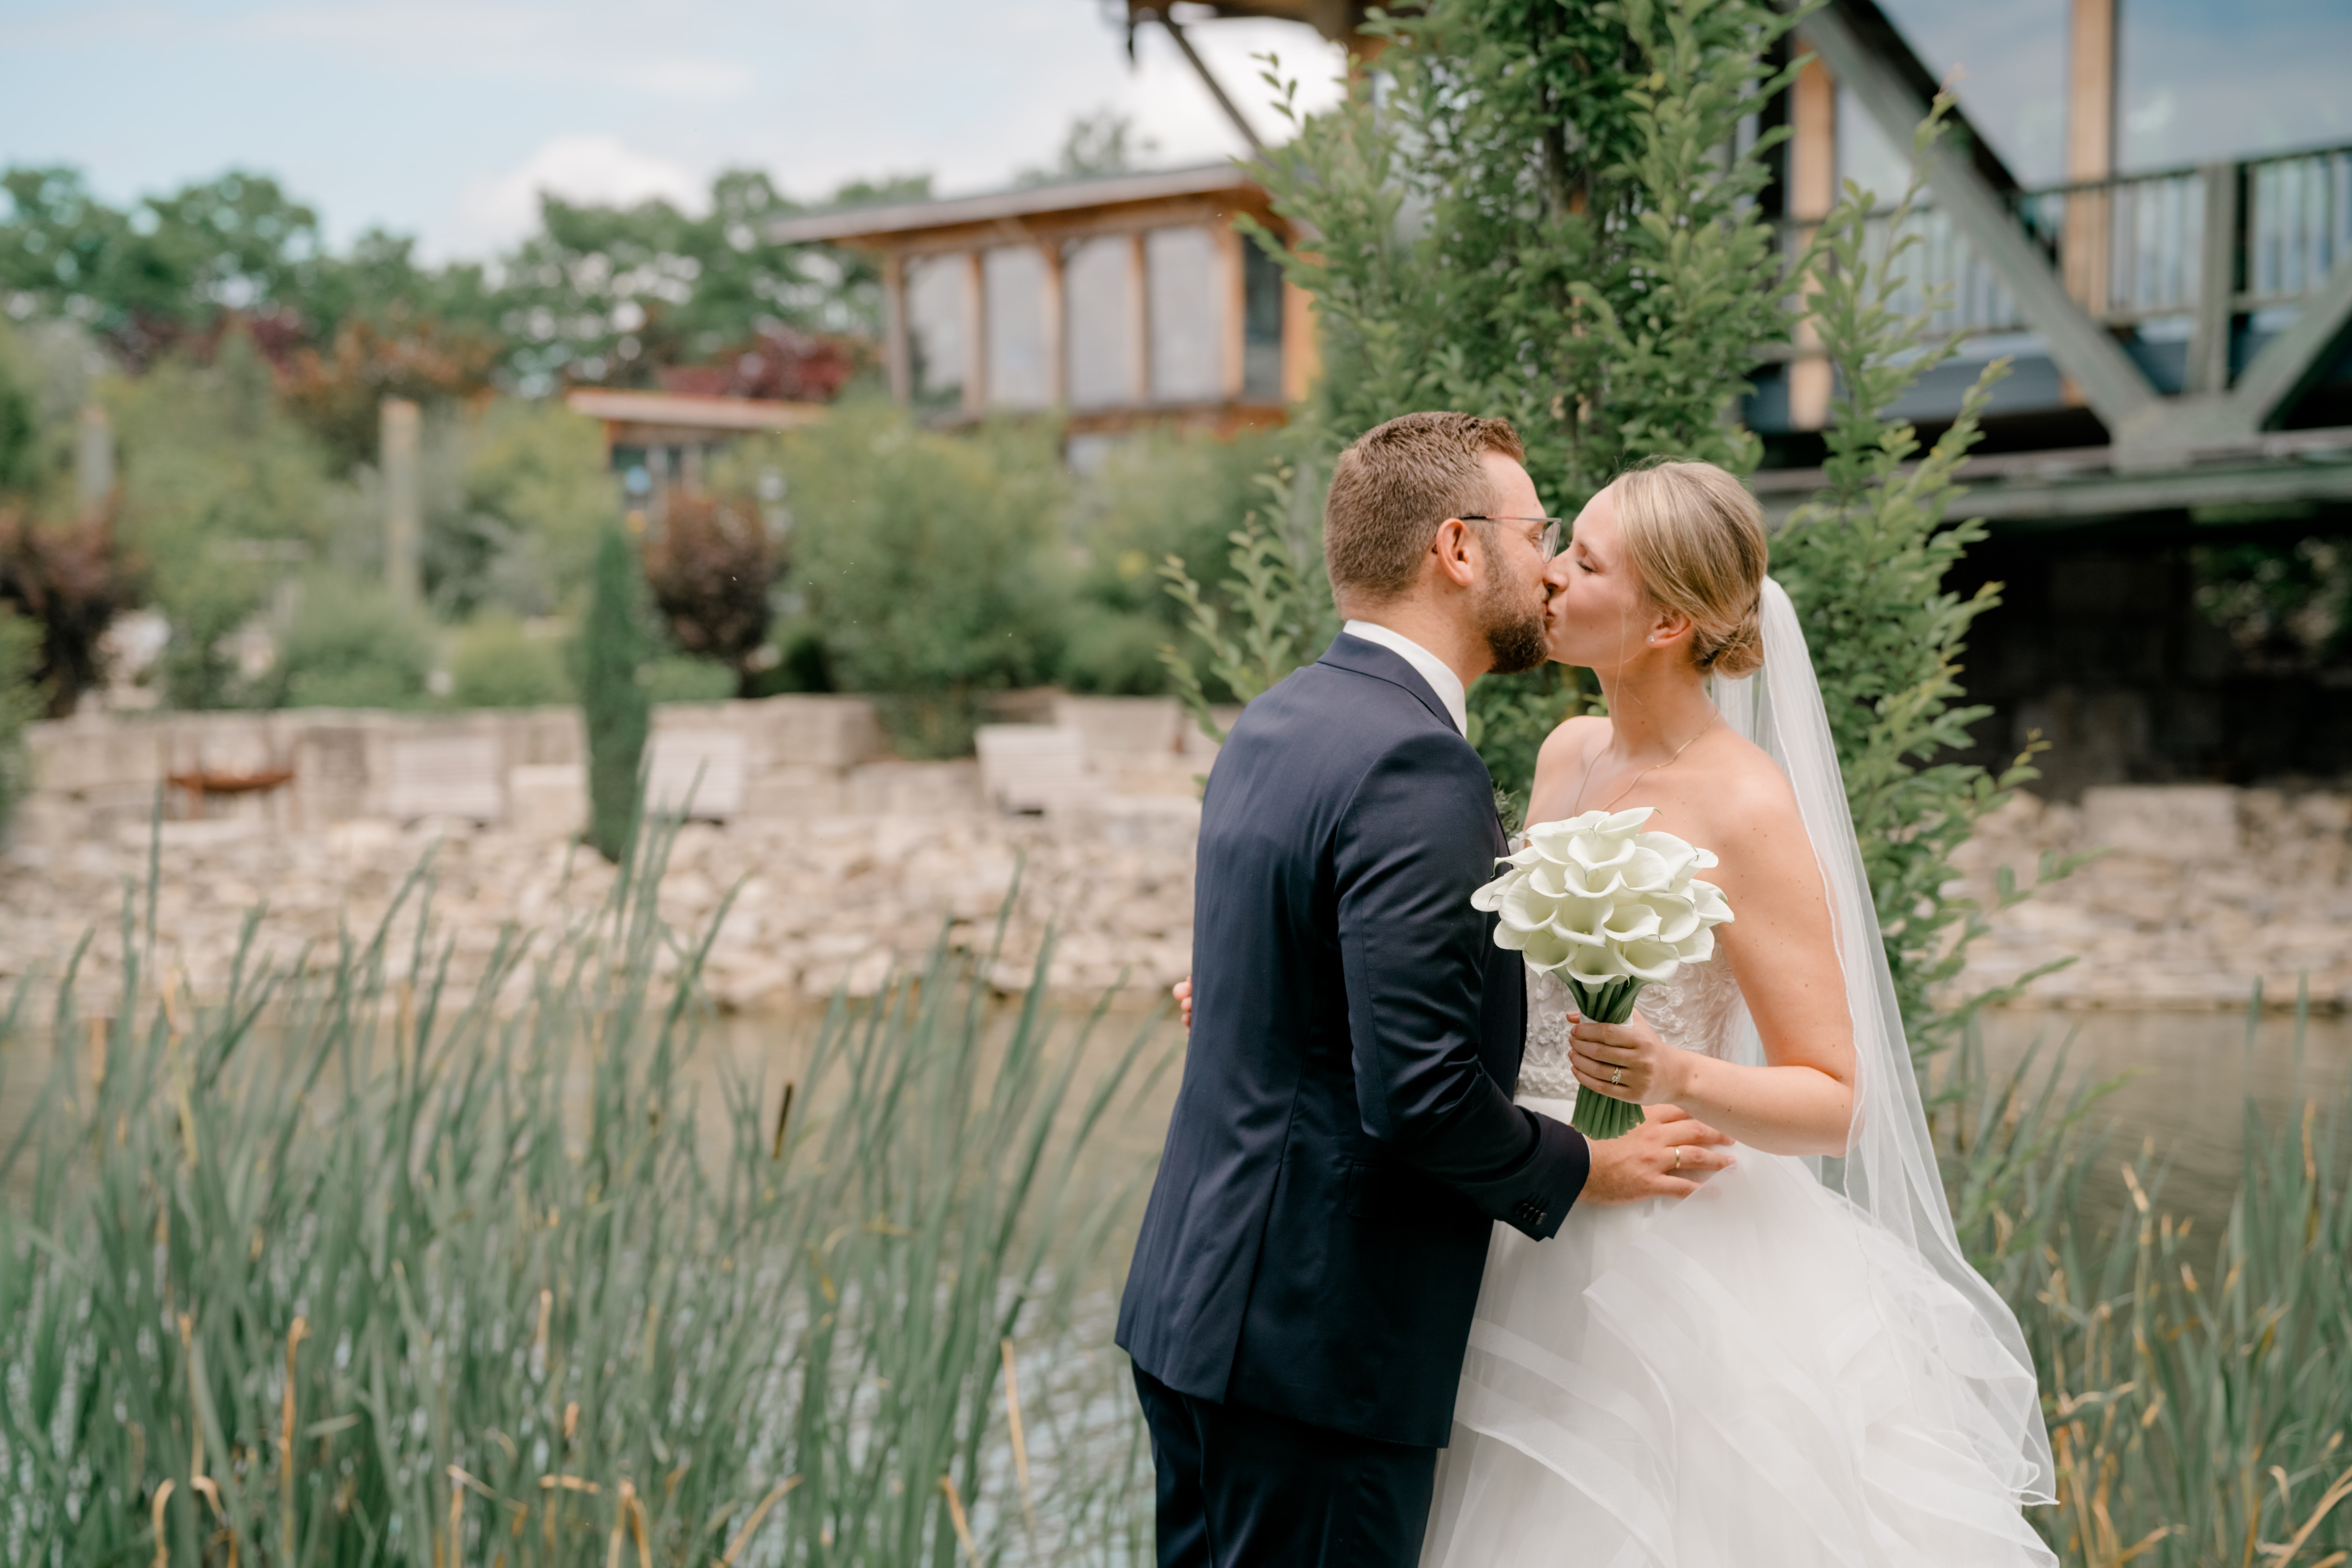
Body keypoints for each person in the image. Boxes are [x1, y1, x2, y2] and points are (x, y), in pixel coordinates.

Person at [1116, 414, 1735, 1568]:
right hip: (1319, 1348)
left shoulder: (1281, 717)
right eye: (1538, 531)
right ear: (1458, 548)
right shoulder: (1418, 760)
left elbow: (1284, 983)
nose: (1550, 565)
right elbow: (1418, 1092)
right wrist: (1586, 1166)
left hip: (1196, 1314)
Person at [1417, 459, 2057, 1565]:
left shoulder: (1746, 802)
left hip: (1670, 1235)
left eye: (1585, 562)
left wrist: (1674, 1076)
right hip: (1523, 1200)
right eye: (1562, 548)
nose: (1551, 579)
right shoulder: (1567, 754)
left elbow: (1836, 1100)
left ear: (1668, 618)